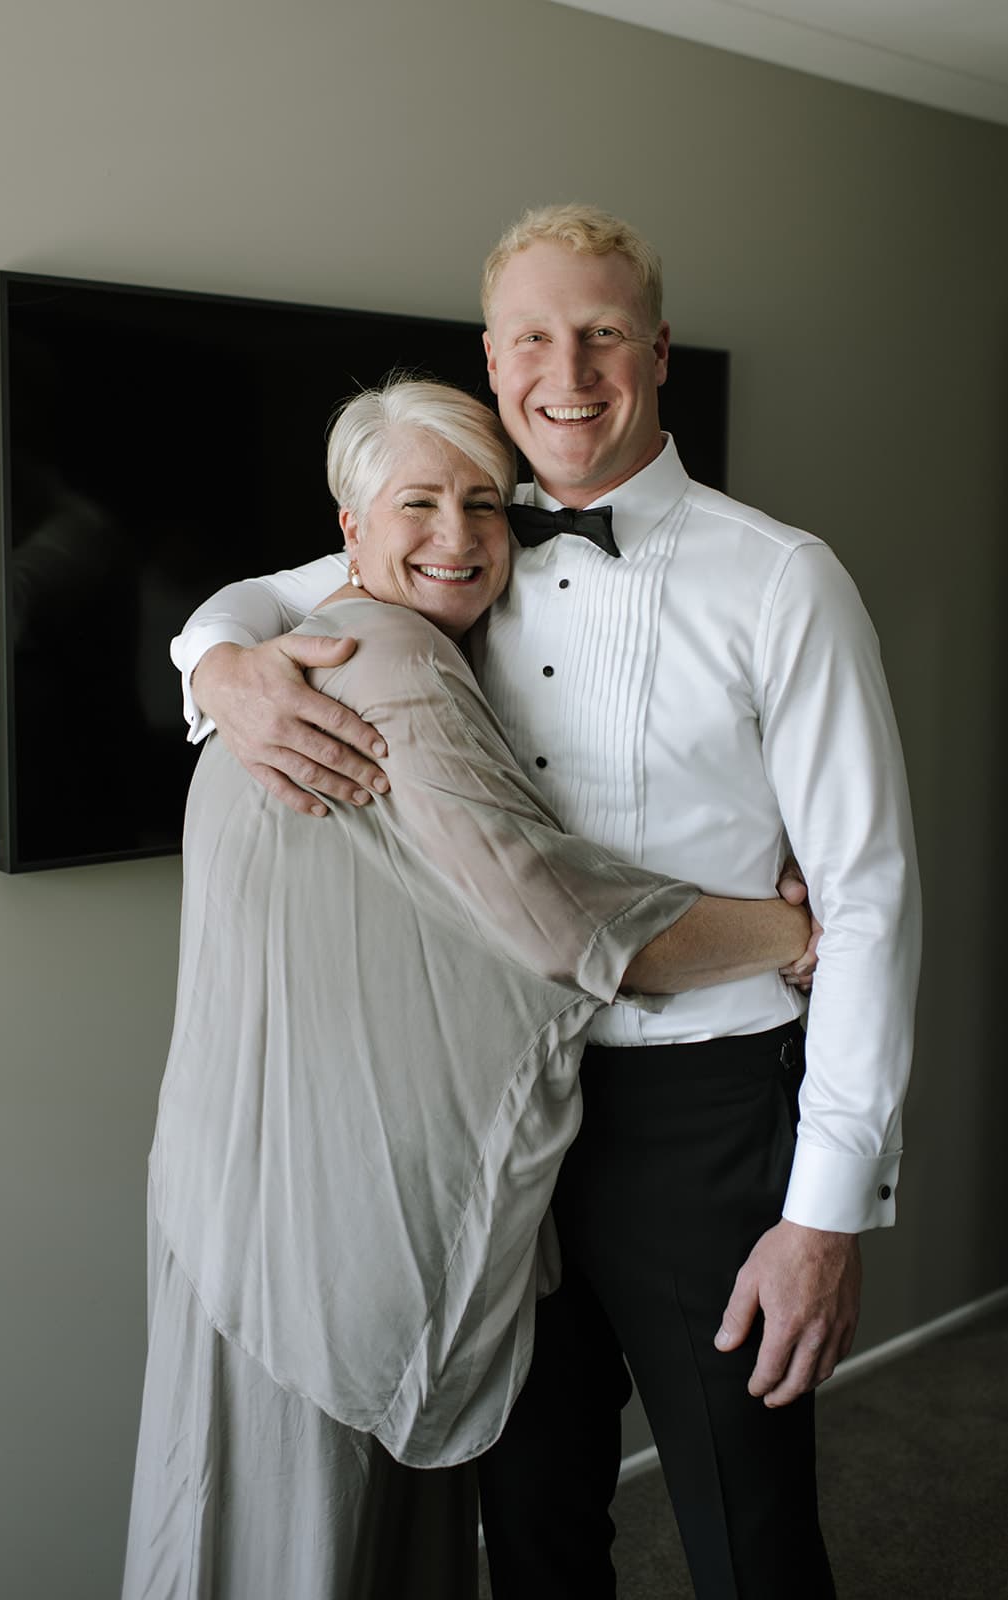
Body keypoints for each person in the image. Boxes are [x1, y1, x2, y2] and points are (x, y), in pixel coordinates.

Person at [170, 207, 921, 1598]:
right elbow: (248, 599)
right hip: (493, 1121)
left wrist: (825, 1218)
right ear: (492, 356)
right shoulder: (459, 541)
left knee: (747, 1538)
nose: (564, 372)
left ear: (655, 352)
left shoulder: (781, 582)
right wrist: (215, 669)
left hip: (704, 1119)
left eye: (599, 334)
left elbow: (869, 900)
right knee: (529, 1535)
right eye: (532, 337)